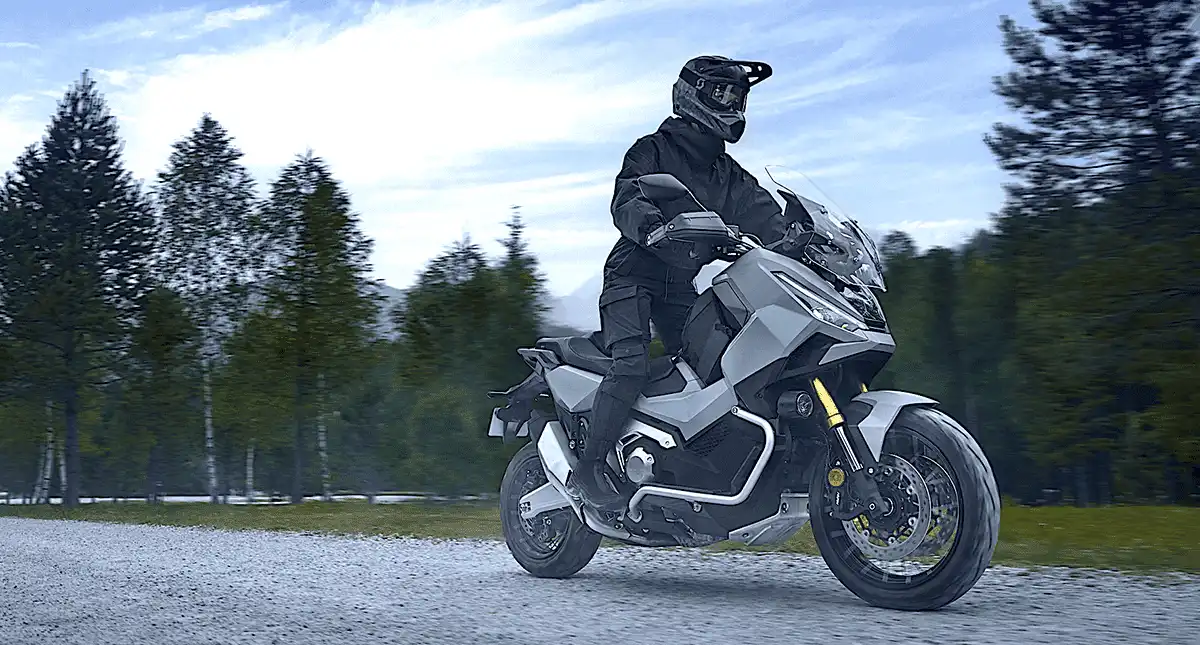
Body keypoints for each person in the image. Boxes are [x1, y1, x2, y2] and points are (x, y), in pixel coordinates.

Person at [571, 55, 791, 513]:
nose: (732, 104)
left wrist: (801, 240)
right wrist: (652, 225)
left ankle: (688, 467)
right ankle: (589, 467)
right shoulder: (652, 149)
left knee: (717, 369)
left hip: (680, 286)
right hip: (633, 275)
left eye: (738, 96)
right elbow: (627, 195)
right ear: (693, 95)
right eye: (722, 95)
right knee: (631, 363)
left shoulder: (728, 175)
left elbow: (766, 215)